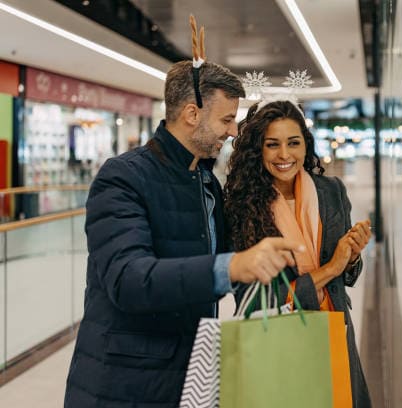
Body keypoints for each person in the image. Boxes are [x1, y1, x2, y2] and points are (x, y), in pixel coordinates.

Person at [64, 18, 303, 407]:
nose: (231, 132)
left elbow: (236, 257)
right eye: (226, 119)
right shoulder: (122, 178)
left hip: (189, 374)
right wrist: (232, 266)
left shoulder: (206, 183)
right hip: (125, 384)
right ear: (192, 114)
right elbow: (128, 279)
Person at [224, 99, 372, 408]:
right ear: (258, 150)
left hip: (334, 327)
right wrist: (331, 267)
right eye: (272, 145)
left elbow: (346, 274)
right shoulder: (243, 206)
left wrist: (353, 255)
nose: (284, 155)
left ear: (306, 146)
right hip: (276, 338)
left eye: (293, 143)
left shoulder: (331, 191)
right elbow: (252, 297)